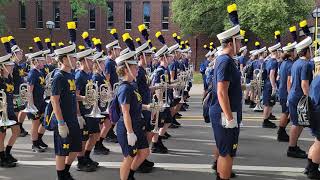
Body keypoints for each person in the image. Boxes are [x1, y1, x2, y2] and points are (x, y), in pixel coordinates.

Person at [210, 3, 242, 180]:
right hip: (225, 113)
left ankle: (222, 172)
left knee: (224, 150)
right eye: (239, 40)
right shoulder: (225, 61)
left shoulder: (226, 60)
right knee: (227, 153)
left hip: (226, 111)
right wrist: (230, 117)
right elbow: (221, 92)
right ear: (231, 42)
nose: (241, 43)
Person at [115, 51, 151, 180]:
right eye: (134, 67)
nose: (137, 69)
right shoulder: (124, 88)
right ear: (126, 69)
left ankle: (129, 175)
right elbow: (125, 112)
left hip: (136, 124)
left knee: (144, 152)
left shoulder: (132, 85)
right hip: (127, 127)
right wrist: (130, 133)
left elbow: (135, 106)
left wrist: (148, 107)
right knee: (129, 157)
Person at [51, 42, 81, 180]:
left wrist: (84, 99)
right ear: (64, 59)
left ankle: (65, 171)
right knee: (62, 150)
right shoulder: (59, 77)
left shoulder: (71, 75)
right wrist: (61, 123)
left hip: (73, 118)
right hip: (63, 120)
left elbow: (72, 95)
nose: (76, 60)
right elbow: (54, 101)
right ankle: (61, 176)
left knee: (75, 148)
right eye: (73, 58)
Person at [287, 36, 313, 159]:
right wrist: (309, 99)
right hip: (299, 97)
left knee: (299, 123)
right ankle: (292, 148)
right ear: (307, 51)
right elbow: (304, 83)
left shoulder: (296, 62)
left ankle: (293, 146)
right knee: (297, 123)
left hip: (294, 95)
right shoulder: (306, 64)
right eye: (311, 49)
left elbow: (292, 80)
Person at [75, 48, 99, 172]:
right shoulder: (79, 75)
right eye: (90, 59)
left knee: (95, 134)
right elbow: (75, 96)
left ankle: (87, 156)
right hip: (83, 111)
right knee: (83, 138)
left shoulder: (89, 74)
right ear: (84, 60)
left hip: (91, 111)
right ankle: (80, 161)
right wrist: (78, 114)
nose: (92, 62)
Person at [0, 39, 20, 167]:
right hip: (2, 112)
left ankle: (7, 152)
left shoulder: (10, 78)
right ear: (2, 67)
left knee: (16, 131)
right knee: (1, 135)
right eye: (9, 65)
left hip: (11, 110)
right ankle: (2, 157)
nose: (12, 66)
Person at [26, 48, 47, 153]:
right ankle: (34, 144)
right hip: (34, 103)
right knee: (35, 124)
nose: (44, 62)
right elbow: (29, 91)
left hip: (41, 101)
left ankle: (39, 139)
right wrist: (31, 106)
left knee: (43, 121)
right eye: (41, 61)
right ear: (35, 61)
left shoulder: (40, 72)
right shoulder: (32, 73)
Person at [277, 42, 296, 142]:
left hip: (282, 90)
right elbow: (289, 82)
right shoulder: (290, 65)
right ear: (292, 52)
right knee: (286, 112)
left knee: (285, 112)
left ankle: (281, 132)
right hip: (286, 92)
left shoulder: (283, 63)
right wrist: (290, 95)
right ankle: (281, 132)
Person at [105, 33, 121, 143]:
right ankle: (108, 133)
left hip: (116, 90)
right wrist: (110, 92)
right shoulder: (108, 63)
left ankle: (110, 132)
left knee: (115, 113)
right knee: (112, 113)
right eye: (118, 50)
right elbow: (107, 79)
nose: (119, 52)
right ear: (112, 50)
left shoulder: (114, 62)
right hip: (111, 92)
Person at [305, 56, 320, 179]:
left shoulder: (316, 78)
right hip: (318, 114)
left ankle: (310, 166)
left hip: (315, 114)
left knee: (317, 142)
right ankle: (313, 170)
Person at [262, 42, 281, 129]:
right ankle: (265, 121)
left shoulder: (269, 61)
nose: (280, 53)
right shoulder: (274, 62)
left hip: (267, 83)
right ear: (276, 52)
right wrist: (274, 86)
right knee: (268, 103)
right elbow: (271, 74)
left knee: (269, 103)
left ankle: (267, 118)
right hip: (269, 84)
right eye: (279, 52)